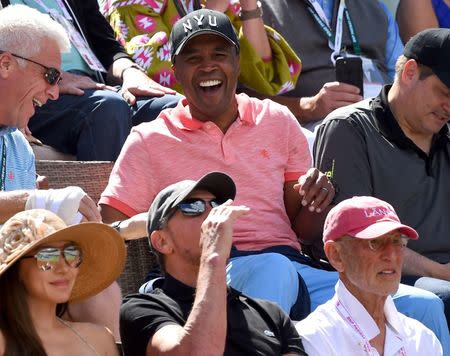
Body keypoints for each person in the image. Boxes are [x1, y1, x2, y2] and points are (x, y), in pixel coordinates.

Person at [99, 8, 450, 345]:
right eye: (193, 57)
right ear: (175, 70)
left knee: (423, 306)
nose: (208, 65)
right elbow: (112, 228)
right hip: (210, 272)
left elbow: (304, 231)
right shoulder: (149, 138)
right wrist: (179, 223)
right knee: (273, 268)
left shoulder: (276, 119)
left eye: (219, 53)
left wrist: (317, 203)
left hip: (296, 267)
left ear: (237, 62)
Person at [314, 28, 450, 352]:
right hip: (386, 276)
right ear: (410, 72)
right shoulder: (349, 128)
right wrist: (441, 272)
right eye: (444, 91)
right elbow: (356, 240)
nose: (449, 105)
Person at [0, 4, 122, 339]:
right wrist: (34, 200)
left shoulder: (18, 146)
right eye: (51, 76)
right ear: (6, 63)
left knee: (98, 285)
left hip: (13, 287)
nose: (55, 92)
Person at [120, 172, 307, 356]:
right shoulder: (142, 308)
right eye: (193, 206)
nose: (213, 213)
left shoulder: (271, 314)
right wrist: (213, 253)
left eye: (217, 204)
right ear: (162, 241)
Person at [1, 0, 182, 161]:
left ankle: (195, 199)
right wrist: (55, 77)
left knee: (173, 108)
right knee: (107, 107)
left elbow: (107, 45)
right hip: (41, 91)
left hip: (95, 84)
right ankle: (104, 199)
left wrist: (130, 71)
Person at [296, 196, 443, 355]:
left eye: (397, 241)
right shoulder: (313, 339)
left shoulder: (423, 339)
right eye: (375, 242)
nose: (391, 255)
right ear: (336, 255)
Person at [99, 0, 301, 96]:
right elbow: (160, 77)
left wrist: (248, 6)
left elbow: (266, 79)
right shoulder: (129, 3)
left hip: (230, 113)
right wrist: (213, 14)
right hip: (171, 120)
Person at [0, 208, 126, 355]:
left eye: (71, 253)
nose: (64, 268)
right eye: (47, 256)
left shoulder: (101, 339)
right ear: (16, 269)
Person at [260, 0, 403, 128]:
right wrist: (308, 108)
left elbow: (402, 79)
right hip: (311, 133)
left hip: (383, 124)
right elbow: (244, 100)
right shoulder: (259, 10)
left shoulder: (376, 8)